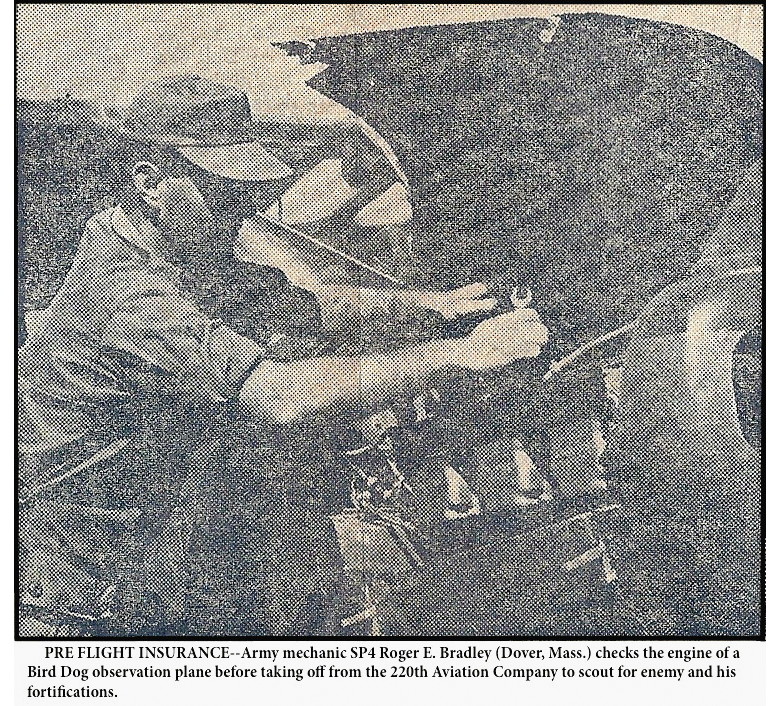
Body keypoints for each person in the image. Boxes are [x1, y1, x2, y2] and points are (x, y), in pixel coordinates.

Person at [18, 74, 549, 636]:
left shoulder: (169, 236)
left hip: (148, 505)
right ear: (155, 180)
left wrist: (428, 306)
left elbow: (301, 279)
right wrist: (461, 353)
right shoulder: (119, 287)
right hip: (85, 559)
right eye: (235, 193)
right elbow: (280, 395)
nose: (256, 209)